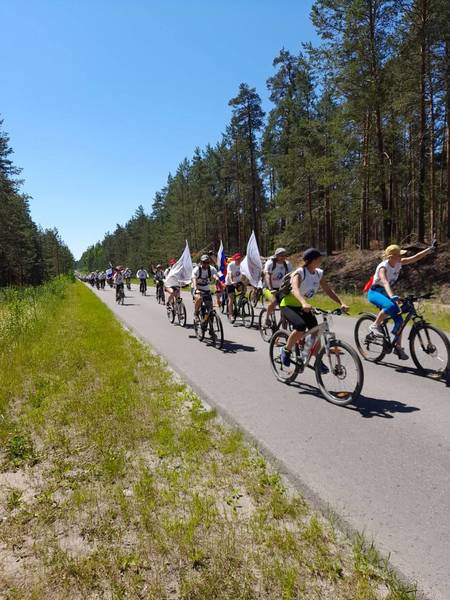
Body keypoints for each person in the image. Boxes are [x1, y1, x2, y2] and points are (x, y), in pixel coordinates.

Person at [279, 248, 348, 372]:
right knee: (300, 327)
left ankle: (317, 360)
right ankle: (286, 350)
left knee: (315, 333)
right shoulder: (300, 272)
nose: (320, 260)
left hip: (304, 307)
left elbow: (327, 289)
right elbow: (295, 289)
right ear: (311, 260)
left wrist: (341, 303)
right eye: (318, 258)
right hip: (289, 305)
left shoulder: (318, 273)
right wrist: (304, 302)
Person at [367, 242, 436, 360]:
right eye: (399, 255)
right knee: (390, 306)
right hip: (375, 292)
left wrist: (430, 249)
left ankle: (397, 347)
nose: (401, 257)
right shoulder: (383, 267)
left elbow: (416, 257)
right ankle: (375, 325)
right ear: (391, 257)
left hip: (386, 293)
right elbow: (385, 282)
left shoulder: (398, 263)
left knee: (400, 320)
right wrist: (392, 295)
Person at [263, 248, 292, 323]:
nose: (283, 257)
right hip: (268, 287)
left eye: (285, 255)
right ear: (276, 256)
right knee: (274, 301)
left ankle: (283, 321)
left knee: (285, 304)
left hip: (281, 288)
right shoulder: (270, 263)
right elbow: (267, 275)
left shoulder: (287, 264)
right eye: (281, 255)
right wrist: (270, 288)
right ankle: (266, 318)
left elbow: (291, 276)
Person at [192, 255, 221, 324]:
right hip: (197, 288)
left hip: (206, 289)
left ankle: (210, 328)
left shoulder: (211, 269)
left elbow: (215, 276)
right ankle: (196, 314)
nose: (206, 264)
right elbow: (194, 279)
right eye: (204, 262)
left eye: (207, 262)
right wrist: (196, 289)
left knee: (210, 310)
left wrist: (216, 279)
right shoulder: (197, 269)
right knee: (199, 299)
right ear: (201, 262)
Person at [225, 252, 244, 320]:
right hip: (230, 282)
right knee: (231, 298)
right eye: (237, 259)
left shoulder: (242, 265)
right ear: (234, 259)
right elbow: (229, 274)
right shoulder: (231, 265)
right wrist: (232, 281)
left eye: (239, 259)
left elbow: (245, 273)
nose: (238, 260)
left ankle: (239, 305)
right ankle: (231, 314)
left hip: (238, 281)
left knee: (243, 291)